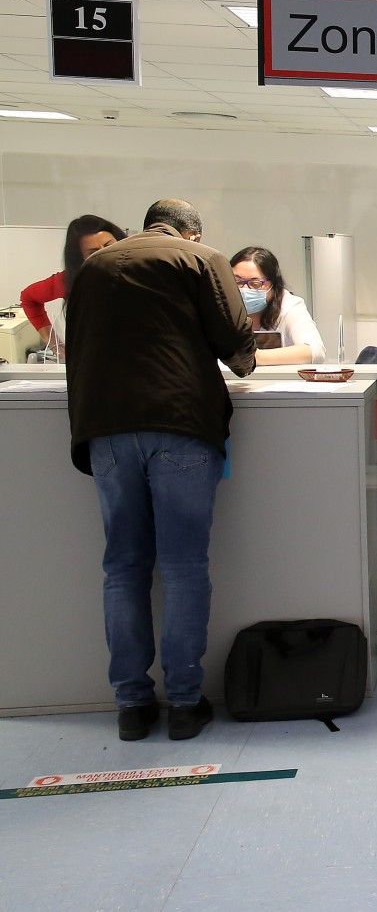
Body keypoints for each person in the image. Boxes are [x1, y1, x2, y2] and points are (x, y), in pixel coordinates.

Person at [64, 199, 257, 740]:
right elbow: (237, 343)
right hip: (179, 424)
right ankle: (186, 703)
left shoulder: (95, 267)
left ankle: (131, 704)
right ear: (191, 232)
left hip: (105, 430)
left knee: (122, 567)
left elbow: (74, 355)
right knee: (182, 567)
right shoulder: (199, 259)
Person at [18, 215, 126, 357]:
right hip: (96, 361)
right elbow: (29, 298)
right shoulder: (71, 280)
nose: (107, 254)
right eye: (94, 252)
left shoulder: (144, 271)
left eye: (109, 245)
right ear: (80, 258)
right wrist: (55, 346)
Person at [229, 246, 327, 365]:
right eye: (237, 281)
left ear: (273, 285)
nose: (244, 289)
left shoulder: (289, 306)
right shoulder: (219, 304)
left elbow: (316, 352)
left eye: (255, 283)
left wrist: (256, 357)